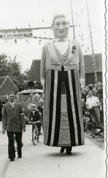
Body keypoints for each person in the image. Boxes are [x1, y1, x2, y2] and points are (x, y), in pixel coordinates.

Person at [40, 15, 85, 155]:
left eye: (64, 23)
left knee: (73, 110)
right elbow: (43, 65)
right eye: (57, 24)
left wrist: (82, 78)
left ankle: (71, 142)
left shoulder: (74, 44)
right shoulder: (47, 46)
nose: (61, 27)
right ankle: (58, 141)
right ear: (52, 27)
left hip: (72, 77)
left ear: (69, 26)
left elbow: (81, 62)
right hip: (53, 79)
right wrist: (43, 80)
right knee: (55, 111)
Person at [2, 91, 26, 161]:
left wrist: (23, 126)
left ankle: (19, 153)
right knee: (11, 141)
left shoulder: (19, 105)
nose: (11, 97)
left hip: (18, 125)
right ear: (8, 97)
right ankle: (11, 156)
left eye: (12, 96)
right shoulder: (5, 106)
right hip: (9, 126)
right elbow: (4, 117)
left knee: (19, 140)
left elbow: (22, 116)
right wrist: (3, 128)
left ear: (14, 97)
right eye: (10, 96)